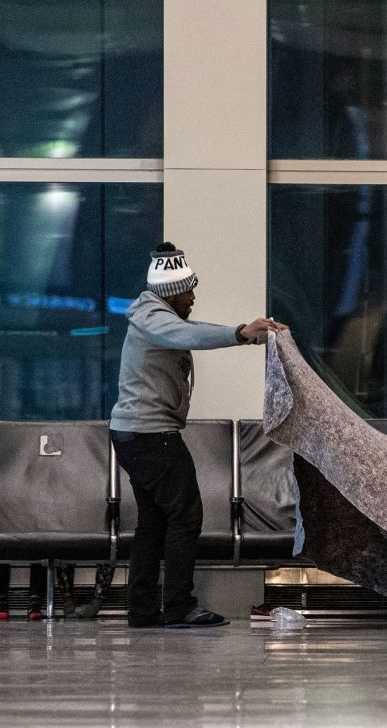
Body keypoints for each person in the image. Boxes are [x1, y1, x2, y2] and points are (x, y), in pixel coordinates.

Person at [110, 241, 286, 628]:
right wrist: (241, 332)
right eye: (188, 290)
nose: (193, 296)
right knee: (186, 516)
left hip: (137, 433)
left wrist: (251, 335)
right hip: (149, 433)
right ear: (172, 291)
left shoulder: (157, 316)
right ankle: (178, 607)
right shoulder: (152, 318)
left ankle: (142, 610)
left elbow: (191, 330)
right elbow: (188, 335)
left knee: (153, 522)